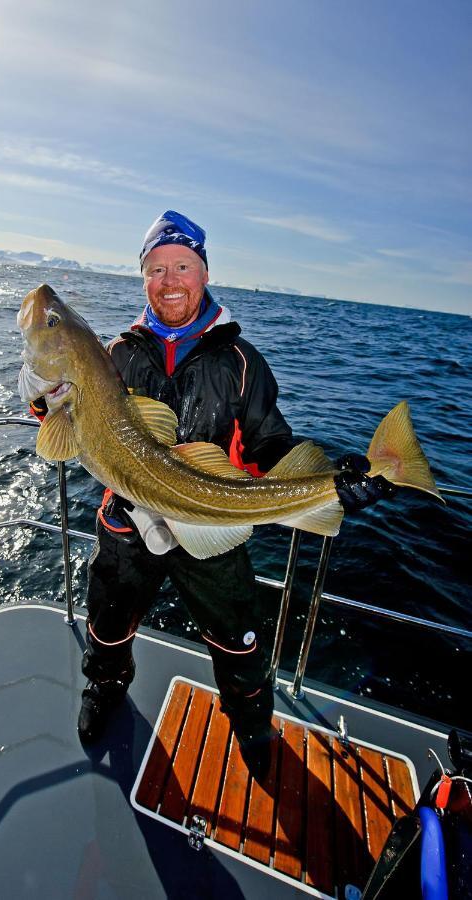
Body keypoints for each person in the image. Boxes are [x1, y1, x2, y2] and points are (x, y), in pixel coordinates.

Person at [28, 210, 394, 780]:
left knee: (240, 638)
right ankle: (103, 689)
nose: (169, 280)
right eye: (155, 269)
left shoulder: (242, 362)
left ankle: (252, 727)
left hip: (211, 523)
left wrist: (333, 488)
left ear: (203, 272)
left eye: (182, 266)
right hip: (128, 522)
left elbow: (270, 445)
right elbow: (58, 419)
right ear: (143, 278)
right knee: (107, 620)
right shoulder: (115, 354)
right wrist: (43, 396)